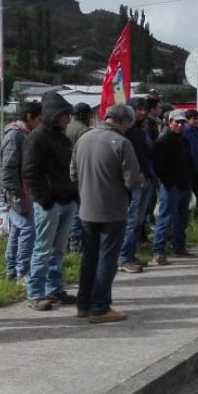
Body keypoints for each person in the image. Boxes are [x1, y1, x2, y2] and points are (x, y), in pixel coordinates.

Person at [71, 104, 142, 324]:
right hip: (112, 210)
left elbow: (72, 174)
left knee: (89, 258)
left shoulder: (83, 139)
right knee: (107, 260)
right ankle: (100, 307)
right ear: (124, 122)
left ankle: (83, 304)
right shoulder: (122, 143)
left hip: (86, 209)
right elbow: (131, 181)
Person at [22, 91, 79, 311]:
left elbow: (70, 169)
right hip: (49, 203)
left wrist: (73, 195)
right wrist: (45, 199)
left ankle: (54, 288)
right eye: (64, 114)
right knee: (43, 249)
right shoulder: (37, 137)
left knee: (58, 249)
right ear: (54, 114)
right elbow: (30, 172)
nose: (68, 118)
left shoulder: (63, 137)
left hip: (66, 200)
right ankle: (35, 293)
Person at [0, 101, 42, 281]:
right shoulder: (15, 135)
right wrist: (17, 196)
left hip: (23, 191)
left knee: (18, 229)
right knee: (27, 229)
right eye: (39, 118)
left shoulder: (24, 134)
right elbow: (8, 169)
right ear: (30, 117)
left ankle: (12, 271)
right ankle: (23, 272)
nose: (41, 122)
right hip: (16, 192)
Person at [152, 109, 196, 263]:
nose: (180, 125)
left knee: (182, 219)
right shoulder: (163, 141)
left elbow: (189, 162)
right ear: (169, 123)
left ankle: (179, 246)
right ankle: (158, 250)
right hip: (170, 187)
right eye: (177, 122)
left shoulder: (184, 141)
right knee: (165, 219)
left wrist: (190, 178)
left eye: (182, 122)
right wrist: (168, 183)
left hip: (184, 185)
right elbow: (158, 166)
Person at [118, 97, 155, 274]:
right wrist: (136, 172)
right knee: (130, 221)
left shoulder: (141, 130)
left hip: (146, 179)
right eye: (138, 109)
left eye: (144, 109)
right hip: (134, 182)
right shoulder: (126, 131)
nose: (142, 112)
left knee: (138, 222)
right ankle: (124, 258)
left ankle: (130, 255)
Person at [65, 102, 93, 253]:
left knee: (67, 211)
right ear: (85, 115)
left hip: (63, 174)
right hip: (78, 174)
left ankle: (66, 243)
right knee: (77, 211)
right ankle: (76, 245)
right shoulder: (84, 131)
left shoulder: (65, 127)